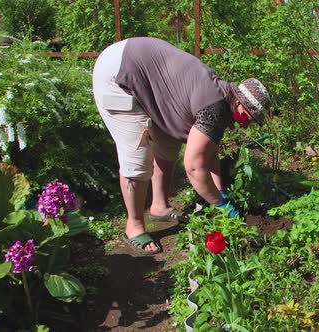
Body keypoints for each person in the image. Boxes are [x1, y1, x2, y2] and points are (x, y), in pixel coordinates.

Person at [92, 37, 270, 255]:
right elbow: (194, 168)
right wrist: (221, 205)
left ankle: (159, 206)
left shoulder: (221, 98)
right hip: (118, 75)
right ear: (240, 104)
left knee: (167, 145)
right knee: (137, 154)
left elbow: (208, 153)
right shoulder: (215, 108)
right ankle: (134, 225)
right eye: (250, 117)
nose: (249, 123)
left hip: (134, 65)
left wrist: (220, 192)